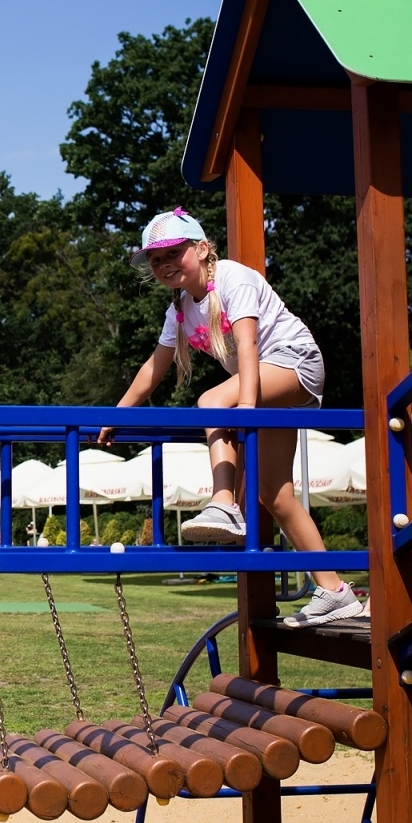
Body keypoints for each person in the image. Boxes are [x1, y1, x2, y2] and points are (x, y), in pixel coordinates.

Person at [99, 207, 360, 627]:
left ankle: (223, 503)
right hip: (264, 384)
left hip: (295, 364)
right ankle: (335, 591)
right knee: (274, 495)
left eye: (173, 253)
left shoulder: (233, 278)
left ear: (202, 250)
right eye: (156, 260)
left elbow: (249, 345)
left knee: (211, 401)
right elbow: (154, 368)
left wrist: (246, 408)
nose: (165, 265)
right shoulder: (181, 309)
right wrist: (116, 415)